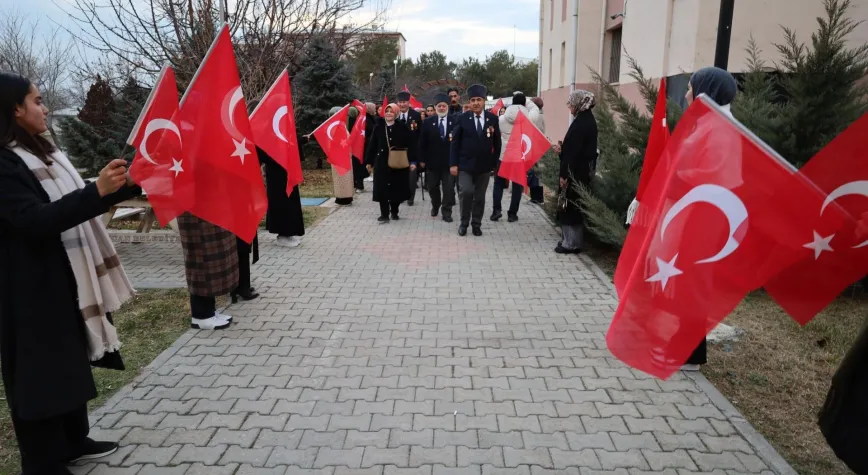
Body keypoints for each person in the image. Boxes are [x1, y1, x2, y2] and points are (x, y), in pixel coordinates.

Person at [0, 72, 138, 474]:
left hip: (64, 276)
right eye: (38, 101)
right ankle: (43, 461)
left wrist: (124, 186)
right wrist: (97, 192)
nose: (45, 108)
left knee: (69, 359)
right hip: (28, 284)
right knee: (39, 372)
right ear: (15, 109)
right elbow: (33, 220)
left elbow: (71, 200)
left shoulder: (43, 151)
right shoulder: (4, 161)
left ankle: (74, 440)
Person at [672, 66, 739, 371]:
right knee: (687, 277)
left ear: (706, 91)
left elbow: (715, 176)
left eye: (690, 87)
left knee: (695, 279)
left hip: (707, 214)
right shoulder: (708, 123)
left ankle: (692, 352)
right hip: (699, 211)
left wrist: (676, 178)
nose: (686, 94)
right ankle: (683, 339)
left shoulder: (720, 127)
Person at [450, 84, 501, 237]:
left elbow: (497, 143)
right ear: (469, 102)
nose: (476, 103)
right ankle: (464, 223)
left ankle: (476, 224)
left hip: (484, 166)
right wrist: (453, 164)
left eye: (479, 99)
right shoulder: (462, 118)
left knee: (479, 197)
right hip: (465, 164)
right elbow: (455, 143)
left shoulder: (492, 119)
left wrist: (494, 163)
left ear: (484, 101)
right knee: (466, 192)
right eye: (473, 100)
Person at [555, 89, 598, 255]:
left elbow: (573, 153)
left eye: (571, 103)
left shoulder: (581, 124)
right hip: (580, 171)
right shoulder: (584, 120)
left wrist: (565, 176)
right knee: (570, 205)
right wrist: (562, 150)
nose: (569, 107)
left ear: (579, 104)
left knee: (570, 206)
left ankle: (571, 243)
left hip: (575, 173)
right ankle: (568, 240)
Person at [366, 103, 415, 222]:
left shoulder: (402, 127)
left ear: (396, 113)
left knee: (396, 188)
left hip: (398, 162)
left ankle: (394, 211)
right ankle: (384, 214)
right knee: (382, 188)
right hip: (381, 162)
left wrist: (412, 161)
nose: (388, 113)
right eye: (387, 111)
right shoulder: (379, 126)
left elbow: (411, 145)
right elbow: (372, 145)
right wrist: (369, 162)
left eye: (391, 111)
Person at [417, 92, 456, 222]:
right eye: (439, 106)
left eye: (444, 106)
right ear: (435, 107)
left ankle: (447, 212)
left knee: (449, 189)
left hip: (449, 162)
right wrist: (421, 159)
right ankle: (436, 204)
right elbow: (422, 142)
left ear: (448, 107)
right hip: (432, 162)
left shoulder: (454, 121)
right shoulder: (428, 122)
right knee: (432, 187)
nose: (441, 108)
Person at [492, 92, 529, 222]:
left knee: (498, 184)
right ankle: (512, 214)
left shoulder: (501, 119)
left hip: (503, 155)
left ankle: (496, 211)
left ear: (512, 103)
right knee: (517, 185)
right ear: (524, 103)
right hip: (519, 156)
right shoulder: (527, 119)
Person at [396, 91, 422, 206]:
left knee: (412, 177)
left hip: (412, 151)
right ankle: (401, 195)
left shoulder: (415, 115)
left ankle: (410, 197)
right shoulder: (394, 114)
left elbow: (420, 134)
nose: (402, 104)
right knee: (400, 176)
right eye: (400, 102)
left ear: (408, 102)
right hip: (398, 152)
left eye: (404, 102)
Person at [331, 105, 355, 205]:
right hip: (338, 156)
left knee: (346, 177)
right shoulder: (334, 125)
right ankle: (342, 197)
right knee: (339, 177)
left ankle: (347, 196)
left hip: (345, 155)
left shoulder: (341, 124)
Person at [526, 97, 546, 204]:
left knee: (534, 173)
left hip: (534, 147)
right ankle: (537, 197)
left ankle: (536, 197)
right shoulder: (541, 115)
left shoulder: (536, 116)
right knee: (537, 173)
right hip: (539, 146)